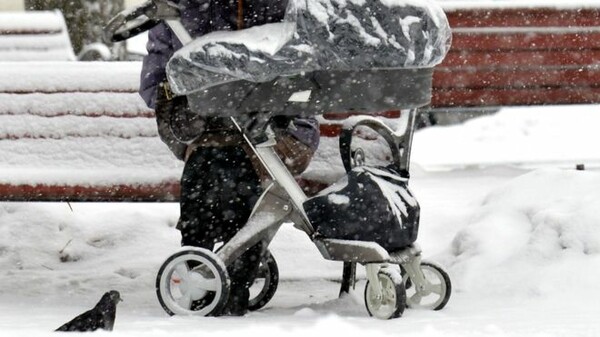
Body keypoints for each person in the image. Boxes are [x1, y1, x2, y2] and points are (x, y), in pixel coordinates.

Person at [139, 0, 320, 316]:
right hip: (208, 134)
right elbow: (154, 85)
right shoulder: (179, 8)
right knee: (215, 162)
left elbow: (303, 79)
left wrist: (254, 98)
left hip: (281, 129)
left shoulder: (284, 6)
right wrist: (193, 92)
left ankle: (209, 268)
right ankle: (216, 266)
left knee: (226, 164)